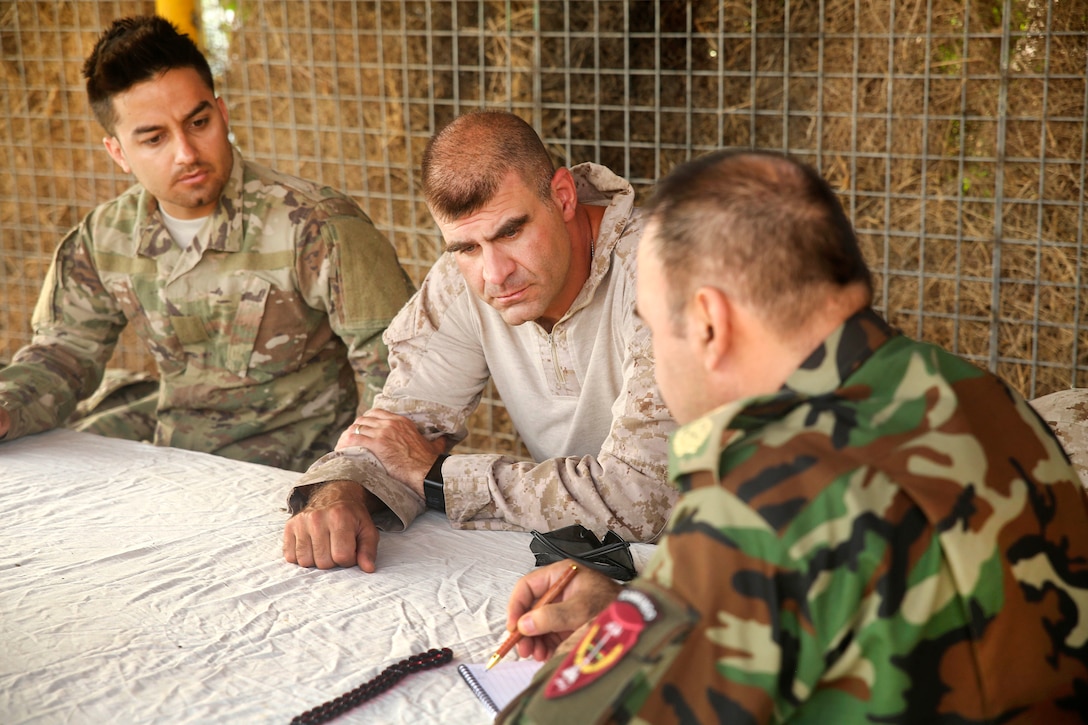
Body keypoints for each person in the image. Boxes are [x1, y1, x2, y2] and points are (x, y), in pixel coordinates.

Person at [497, 150, 1088, 722]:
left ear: (710, 323)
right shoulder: (986, 398)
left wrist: (622, 642)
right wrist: (633, 611)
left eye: (652, 328)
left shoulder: (763, 500)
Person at [0, 16, 413, 472]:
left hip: (294, 477)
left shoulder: (315, 225)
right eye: (154, 138)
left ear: (222, 112)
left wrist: (348, 482)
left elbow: (398, 375)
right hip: (176, 463)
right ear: (118, 153)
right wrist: (7, 408)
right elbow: (63, 354)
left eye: (198, 122)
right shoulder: (105, 238)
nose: (186, 153)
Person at [282, 110, 679, 572]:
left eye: (511, 231)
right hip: (589, 566)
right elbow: (396, 430)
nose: (495, 274)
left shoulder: (666, 272)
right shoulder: (461, 281)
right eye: (466, 248)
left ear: (564, 196)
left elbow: (643, 501)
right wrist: (339, 495)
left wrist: (437, 478)